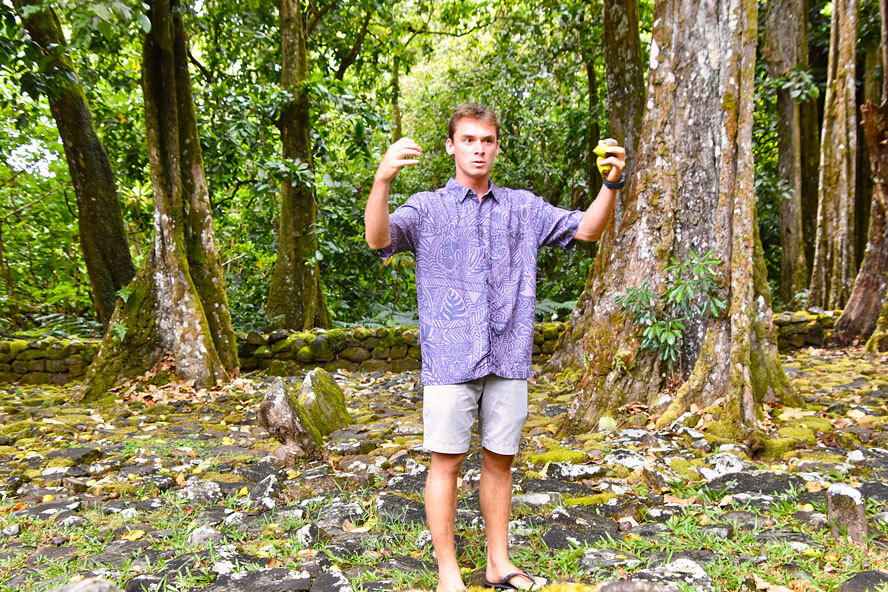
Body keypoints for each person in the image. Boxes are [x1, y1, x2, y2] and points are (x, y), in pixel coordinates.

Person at [364, 104, 626, 592]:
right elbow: (379, 239)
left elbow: (587, 229)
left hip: (508, 353)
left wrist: (611, 183)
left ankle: (498, 563)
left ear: (497, 147)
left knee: (500, 458)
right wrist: (381, 181)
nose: (478, 149)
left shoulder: (522, 207)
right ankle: (449, 575)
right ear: (451, 146)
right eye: (468, 140)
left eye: (486, 140)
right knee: (445, 460)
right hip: (449, 356)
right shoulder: (426, 208)